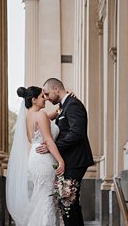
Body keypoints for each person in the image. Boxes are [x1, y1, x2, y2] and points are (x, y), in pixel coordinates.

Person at [36, 78, 94, 226]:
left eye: (47, 94)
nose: (47, 98)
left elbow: (77, 133)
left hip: (76, 160)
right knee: (69, 204)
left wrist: (53, 146)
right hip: (69, 161)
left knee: (68, 202)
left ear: (56, 89)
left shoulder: (73, 104)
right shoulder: (64, 105)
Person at [7, 85, 66, 225]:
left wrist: (58, 110)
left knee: (41, 196)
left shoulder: (29, 116)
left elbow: (47, 118)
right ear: (34, 99)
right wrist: (61, 161)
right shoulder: (40, 115)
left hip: (35, 157)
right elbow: (49, 140)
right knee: (46, 197)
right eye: (42, 96)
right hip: (44, 159)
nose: (45, 98)